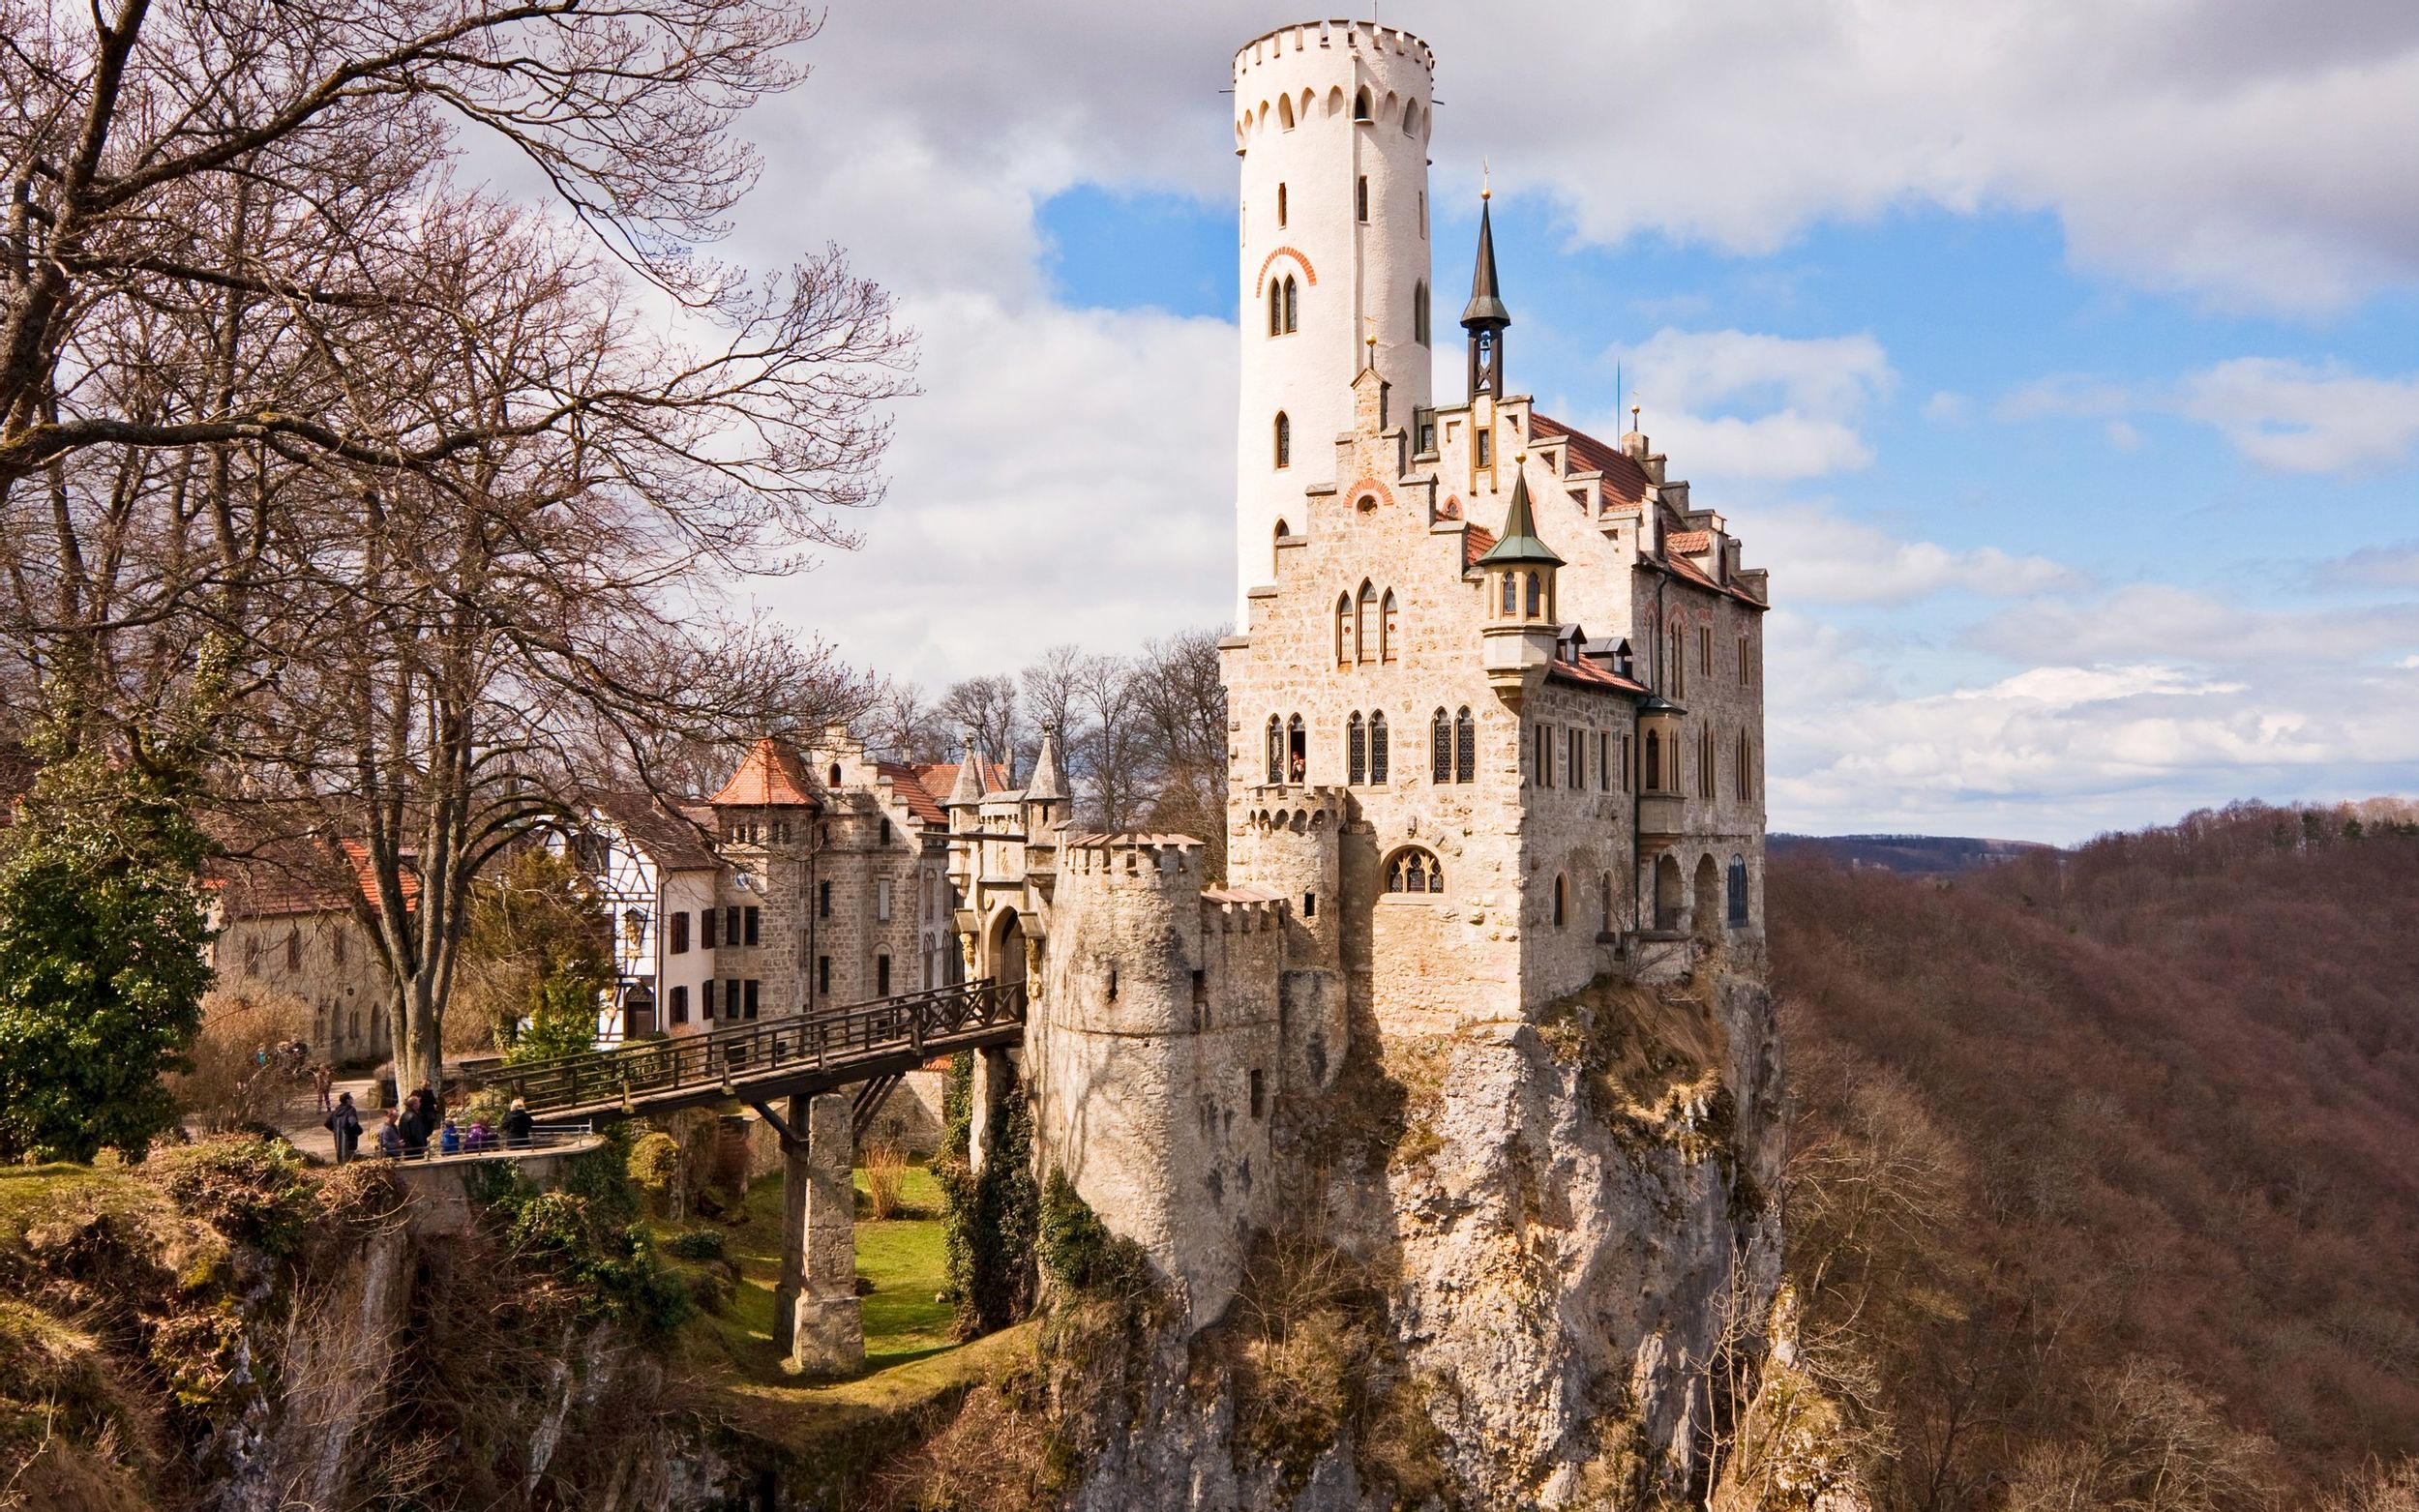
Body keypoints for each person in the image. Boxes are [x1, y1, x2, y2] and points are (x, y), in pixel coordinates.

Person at [324, 1092, 363, 1165]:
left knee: (341, 1161)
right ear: (347, 1100)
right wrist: (359, 1131)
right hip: (350, 1138)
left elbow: (327, 1123)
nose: (352, 1099)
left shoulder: (335, 1111)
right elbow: (353, 1123)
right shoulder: (351, 1110)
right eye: (351, 1098)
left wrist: (335, 1130)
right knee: (350, 1162)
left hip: (338, 1139)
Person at [399, 1093, 429, 1158]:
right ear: (414, 1105)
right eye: (418, 1102)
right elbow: (417, 1134)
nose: (420, 1103)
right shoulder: (413, 1117)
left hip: (407, 1148)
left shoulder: (403, 1115)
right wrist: (423, 1145)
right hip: (415, 1148)